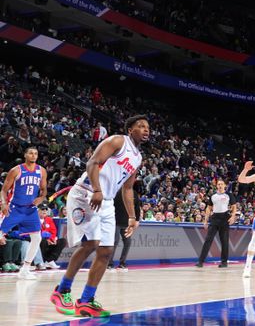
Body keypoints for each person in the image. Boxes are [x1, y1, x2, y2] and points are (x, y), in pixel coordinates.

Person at [51, 115, 147, 318]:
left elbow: (128, 188)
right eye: (140, 126)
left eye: (147, 127)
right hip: (87, 193)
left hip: (108, 200)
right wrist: (96, 190)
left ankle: (86, 300)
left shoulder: (137, 157)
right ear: (130, 129)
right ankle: (62, 290)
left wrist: (132, 216)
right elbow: (92, 163)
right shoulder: (118, 141)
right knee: (91, 243)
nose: (146, 130)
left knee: (106, 252)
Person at [0, 146, 48, 280]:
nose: (34, 155)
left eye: (36, 153)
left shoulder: (41, 171)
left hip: (30, 210)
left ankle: (25, 268)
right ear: (25, 155)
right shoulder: (16, 170)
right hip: (14, 208)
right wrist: (4, 203)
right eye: (31, 153)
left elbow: (44, 190)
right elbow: (3, 190)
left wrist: (41, 198)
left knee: (37, 238)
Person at [197, 179, 238, 268]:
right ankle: (200, 261)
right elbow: (208, 208)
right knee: (208, 240)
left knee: (224, 241)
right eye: (218, 184)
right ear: (216, 186)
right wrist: (205, 220)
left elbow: (234, 207)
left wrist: (232, 216)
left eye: (221, 184)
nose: (219, 185)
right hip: (215, 218)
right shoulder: (213, 196)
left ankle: (224, 262)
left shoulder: (229, 195)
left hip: (225, 218)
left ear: (224, 186)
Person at [109, 181, 142, 271]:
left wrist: (137, 220)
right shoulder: (115, 191)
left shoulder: (133, 193)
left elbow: (137, 208)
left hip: (126, 223)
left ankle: (122, 263)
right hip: (114, 221)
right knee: (114, 241)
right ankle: (109, 264)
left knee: (127, 242)